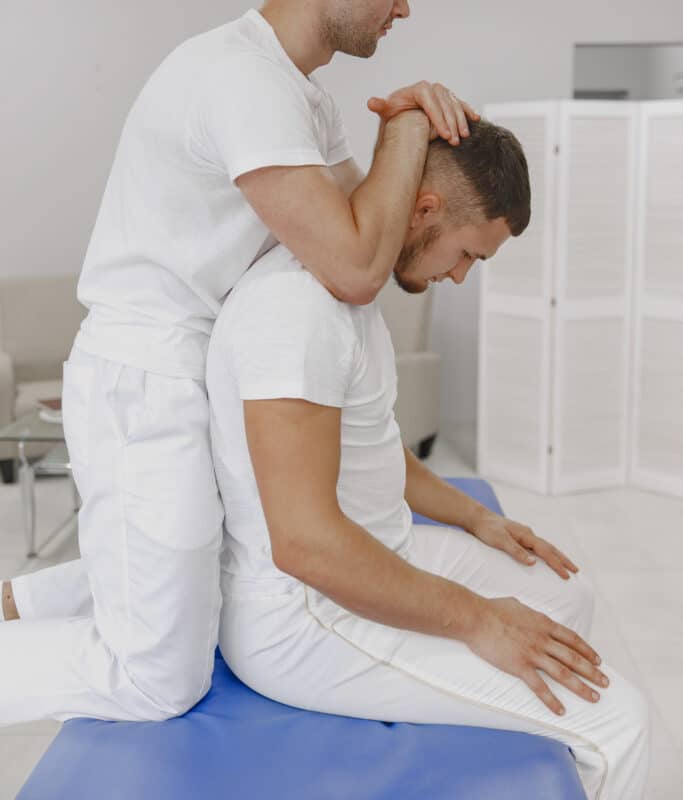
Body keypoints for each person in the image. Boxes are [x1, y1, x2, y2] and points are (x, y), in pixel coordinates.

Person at [0, 0, 478, 724]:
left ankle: (24, 606)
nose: (403, 8)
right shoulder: (240, 78)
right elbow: (356, 267)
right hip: (145, 379)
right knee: (154, 677)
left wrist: (394, 129)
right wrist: (405, 121)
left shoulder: (302, 98)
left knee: (198, 572)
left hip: (197, 372)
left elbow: (375, 228)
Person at [206, 119, 649, 800]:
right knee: (619, 722)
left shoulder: (350, 292)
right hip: (308, 615)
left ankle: (509, 744)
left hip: (384, 553)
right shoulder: (293, 314)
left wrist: (477, 519)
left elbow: (373, 450)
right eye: (468, 254)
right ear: (424, 210)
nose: (462, 276)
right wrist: (477, 620)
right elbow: (304, 547)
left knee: (566, 593)